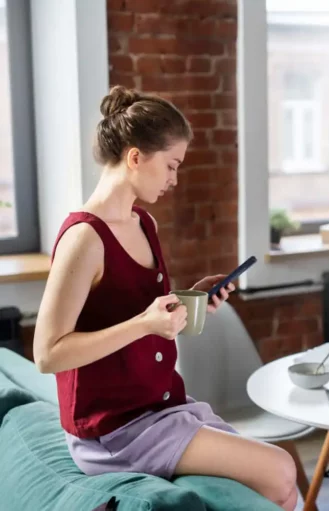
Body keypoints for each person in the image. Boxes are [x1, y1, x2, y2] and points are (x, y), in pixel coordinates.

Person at [32, 86, 298, 510]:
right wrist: (145, 324)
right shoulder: (84, 238)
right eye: (172, 165)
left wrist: (192, 298)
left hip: (157, 408)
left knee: (280, 484)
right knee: (280, 470)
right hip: (114, 431)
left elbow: (130, 306)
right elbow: (47, 353)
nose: (175, 179)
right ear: (136, 158)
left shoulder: (143, 222)